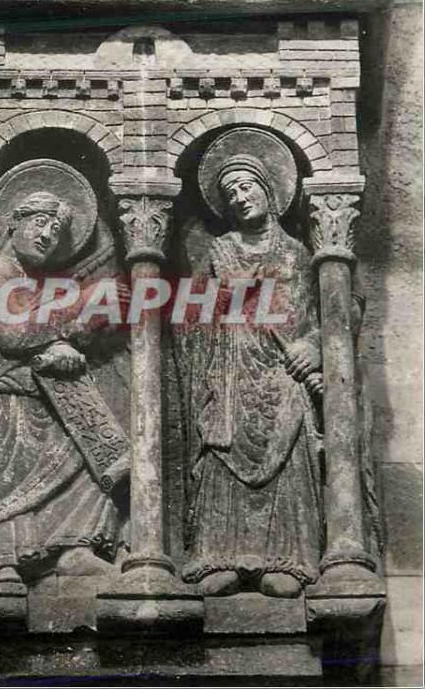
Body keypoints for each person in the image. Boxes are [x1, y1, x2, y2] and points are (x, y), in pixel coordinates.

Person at [176, 130, 324, 598]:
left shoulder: (298, 254)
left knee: (287, 452)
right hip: (230, 369)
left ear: (269, 190)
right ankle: (220, 556)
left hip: (284, 372)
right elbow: (189, 316)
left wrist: (313, 346)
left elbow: (331, 312)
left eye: (247, 187)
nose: (240, 198)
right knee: (223, 449)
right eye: (231, 193)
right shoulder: (218, 253)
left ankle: (289, 558)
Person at [0, 159, 128, 584]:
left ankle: (72, 546)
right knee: (17, 452)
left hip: (41, 390)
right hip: (5, 395)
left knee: (91, 445)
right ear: (12, 223)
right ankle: (3, 554)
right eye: (40, 223)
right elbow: (12, 334)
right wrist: (78, 310)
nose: (47, 236)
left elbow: (41, 329)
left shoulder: (30, 283)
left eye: (55, 232)